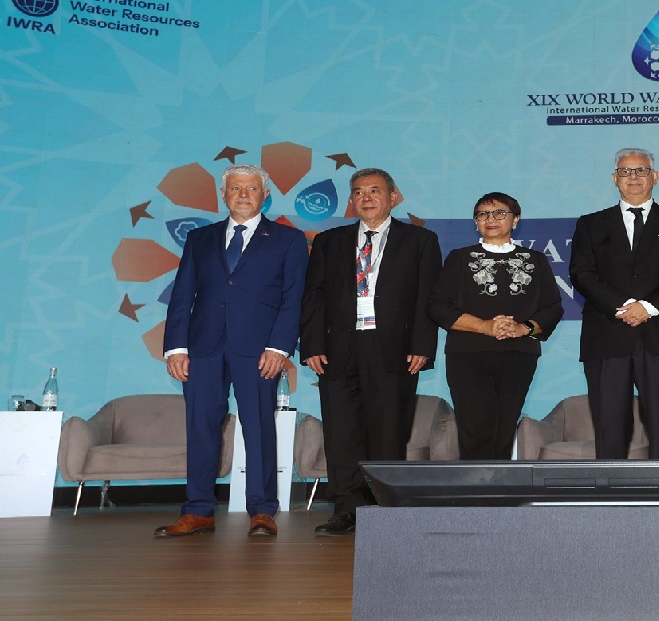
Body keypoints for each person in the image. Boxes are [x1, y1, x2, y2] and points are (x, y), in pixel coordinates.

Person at [158, 164, 308, 538]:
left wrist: (279, 347)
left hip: (260, 349)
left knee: (258, 427)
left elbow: (294, 298)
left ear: (265, 196)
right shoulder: (200, 238)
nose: (243, 194)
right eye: (236, 188)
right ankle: (198, 511)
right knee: (200, 426)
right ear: (223, 194)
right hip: (202, 347)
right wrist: (175, 347)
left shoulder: (289, 239)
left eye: (252, 188)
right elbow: (182, 295)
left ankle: (262, 510)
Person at [300, 168, 441, 536]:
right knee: (341, 432)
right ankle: (347, 508)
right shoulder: (329, 241)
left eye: (375, 190)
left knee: (388, 429)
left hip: (394, 348)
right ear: (351, 200)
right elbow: (313, 295)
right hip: (338, 349)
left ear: (392, 197)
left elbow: (428, 297)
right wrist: (312, 345)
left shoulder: (420, 241)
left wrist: (422, 346)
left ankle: (386, 508)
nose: (366, 198)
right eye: (359, 192)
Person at [569, 148, 659, 459]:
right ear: (614, 179)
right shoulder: (591, 224)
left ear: (655, 177)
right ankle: (609, 486)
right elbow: (581, 273)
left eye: (641, 170)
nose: (633, 177)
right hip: (607, 335)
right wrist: (625, 305)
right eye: (625, 171)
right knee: (609, 425)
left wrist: (648, 307)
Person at [427, 192, 564, 459]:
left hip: (519, 355)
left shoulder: (535, 260)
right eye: (483, 214)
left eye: (500, 213)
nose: (491, 219)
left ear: (516, 220)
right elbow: (438, 307)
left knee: (504, 427)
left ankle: (498, 483)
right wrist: (484, 326)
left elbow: (552, 308)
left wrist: (523, 328)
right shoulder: (459, 258)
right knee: (476, 427)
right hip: (468, 355)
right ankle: (477, 482)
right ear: (475, 222)